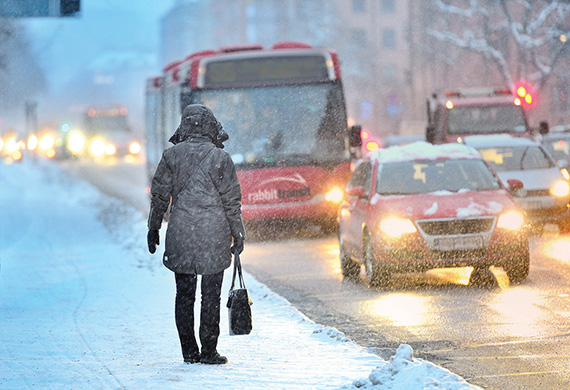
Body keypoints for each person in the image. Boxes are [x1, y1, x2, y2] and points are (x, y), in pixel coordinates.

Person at [146, 104, 245, 365]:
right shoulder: (220, 158)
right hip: (214, 233)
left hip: (182, 232)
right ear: (211, 126)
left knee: (184, 294)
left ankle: (189, 351)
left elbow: (159, 196)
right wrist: (238, 232)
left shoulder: (171, 156)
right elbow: (231, 201)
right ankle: (209, 351)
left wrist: (153, 227)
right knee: (211, 295)